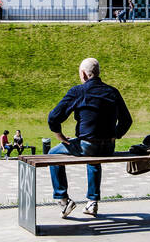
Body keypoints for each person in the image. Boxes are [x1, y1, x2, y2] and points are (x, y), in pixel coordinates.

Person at [47, 56, 132, 218]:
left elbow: (53, 117)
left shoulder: (79, 91)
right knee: (94, 156)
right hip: (108, 147)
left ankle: (63, 200)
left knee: (53, 154)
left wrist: (61, 137)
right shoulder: (112, 92)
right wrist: (115, 135)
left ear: (84, 75)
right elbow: (127, 120)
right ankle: (92, 202)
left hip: (86, 145)